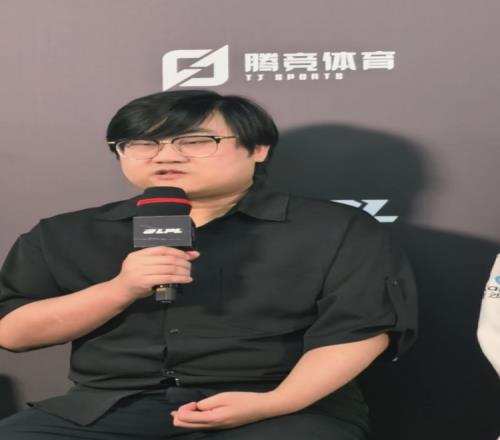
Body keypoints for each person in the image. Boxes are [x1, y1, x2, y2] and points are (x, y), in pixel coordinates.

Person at [0, 90, 417, 440]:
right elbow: (13, 333)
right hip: (107, 409)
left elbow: (361, 330)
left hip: (281, 406)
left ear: (257, 148)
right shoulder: (64, 233)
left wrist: (276, 402)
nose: (165, 155)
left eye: (194, 141)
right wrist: (120, 289)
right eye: (142, 143)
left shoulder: (334, 228)